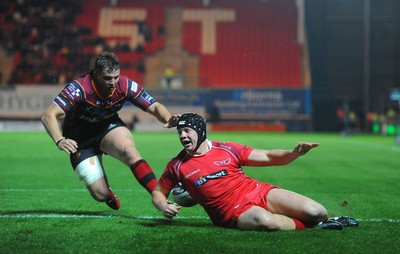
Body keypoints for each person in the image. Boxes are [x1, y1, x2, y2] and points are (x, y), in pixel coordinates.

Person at [152, 113, 358, 231]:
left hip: (257, 192)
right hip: (231, 214)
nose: (183, 136)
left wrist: (293, 153)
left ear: (200, 131)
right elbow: (158, 192)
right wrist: (163, 206)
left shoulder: (227, 149)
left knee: (316, 211)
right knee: (266, 222)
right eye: (180, 132)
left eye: (187, 131)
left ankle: (327, 219)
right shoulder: (177, 165)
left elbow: (268, 157)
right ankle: (315, 226)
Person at [41, 52, 179, 210]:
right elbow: (48, 115)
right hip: (80, 140)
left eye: (116, 77)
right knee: (100, 194)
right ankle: (108, 194)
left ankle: (159, 196)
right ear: (96, 74)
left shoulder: (125, 85)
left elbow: (154, 106)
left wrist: (168, 119)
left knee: (129, 151)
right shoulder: (79, 88)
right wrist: (60, 140)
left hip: (108, 128)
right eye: (107, 78)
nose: (113, 82)